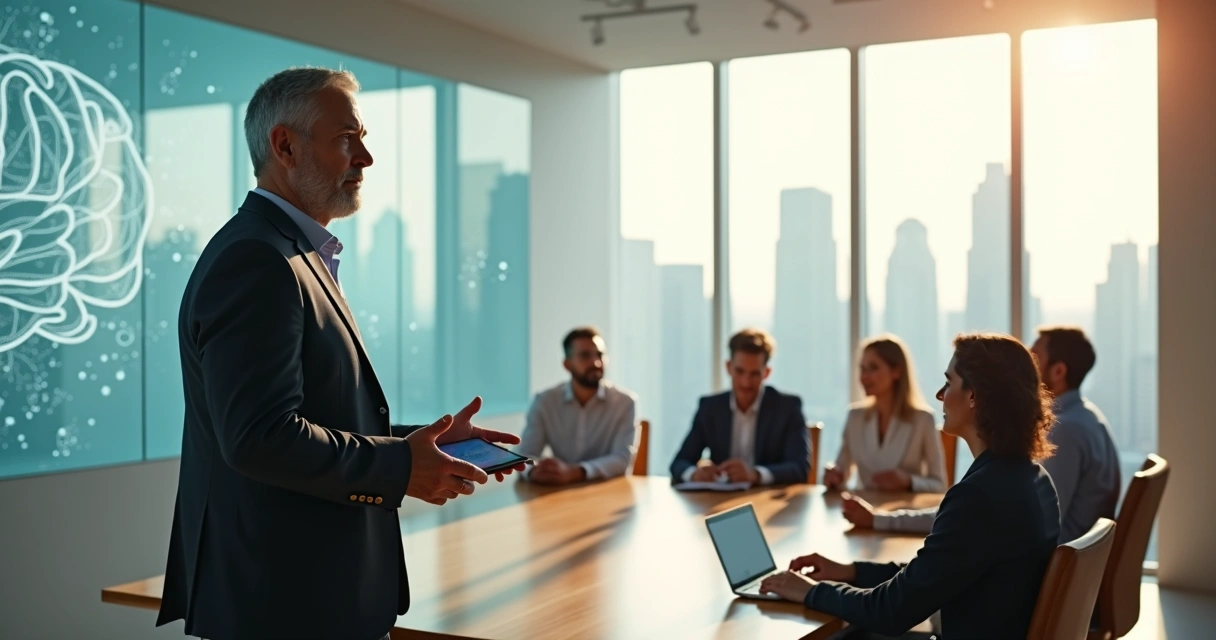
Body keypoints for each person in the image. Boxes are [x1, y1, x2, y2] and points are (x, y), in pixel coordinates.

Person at [156, 67, 524, 640]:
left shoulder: (290, 253)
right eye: (347, 139)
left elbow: (313, 416)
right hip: (282, 608)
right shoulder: (258, 261)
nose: (366, 159)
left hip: (302, 599)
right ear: (285, 146)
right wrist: (402, 468)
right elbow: (260, 436)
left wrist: (414, 442)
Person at [760, 333, 1060, 639]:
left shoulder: (979, 497)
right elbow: (935, 572)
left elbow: (890, 611)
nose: (940, 395)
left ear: (974, 396)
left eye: (949, 383)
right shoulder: (1033, 480)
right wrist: (851, 572)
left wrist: (812, 592)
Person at [842, 327, 1120, 544]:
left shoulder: (1064, 432)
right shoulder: (1036, 469)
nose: (940, 394)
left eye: (1034, 360)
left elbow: (906, 595)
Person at [669, 329, 810, 486]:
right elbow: (679, 463)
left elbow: (799, 468)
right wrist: (695, 474)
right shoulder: (710, 407)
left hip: (768, 503)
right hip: (719, 503)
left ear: (767, 373)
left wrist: (755, 474)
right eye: (739, 371)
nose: (746, 382)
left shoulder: (787, 408)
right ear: (728, 367)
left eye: (755, 374)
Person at [823, 336, 946, 493]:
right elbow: (841, 470)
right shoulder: (855, 417)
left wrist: (908, 481)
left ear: (896, 371)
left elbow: (940, 485)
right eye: (862, 368)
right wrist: (834, 476)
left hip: (905, 514)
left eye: (873, 368)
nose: (864, 376)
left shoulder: (923, 420)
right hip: (862, 512)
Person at [518, 327, 638, 484]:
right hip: (556, 494)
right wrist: (534, 472)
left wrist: (573, 473)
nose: (596, 362)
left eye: (600, 355)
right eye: (585, 356)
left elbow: (622, 459)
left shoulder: (625, 402)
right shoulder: (545, 402)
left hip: (607, 494)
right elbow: (525, 456)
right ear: (567, 364)